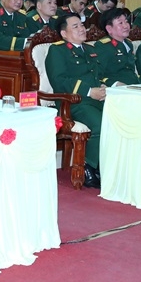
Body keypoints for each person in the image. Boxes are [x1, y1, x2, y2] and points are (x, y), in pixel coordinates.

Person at [45, 14, 106, 189]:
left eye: (82, 25)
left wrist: (103, 87)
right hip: (74, 103)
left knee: (120, 119)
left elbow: (99, 75)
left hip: (98, 99)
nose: (82, 29)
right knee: (100, 124)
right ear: (64, 33)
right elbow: (59, 80)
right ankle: (89, 166)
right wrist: (89, 91)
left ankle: (107, 165)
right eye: (76, 26)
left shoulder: (89, 49)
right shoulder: (57, 50)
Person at [93, 8, 140, 86]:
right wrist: (115, 84)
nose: (126, 26)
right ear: (109, 29)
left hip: (134, 86)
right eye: (120, 23)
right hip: (117, 90)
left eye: (126, 21)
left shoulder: (128, 44)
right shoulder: (103, 46)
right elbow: (97, 75)